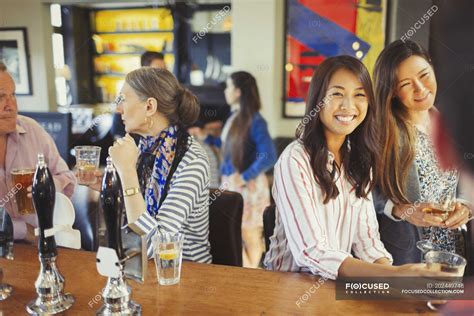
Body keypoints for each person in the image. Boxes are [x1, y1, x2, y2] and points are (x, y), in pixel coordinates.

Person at [264, 56, 437, 280]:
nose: (348, 106)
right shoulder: (295, 159)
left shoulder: (359, 158)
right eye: (337, 94)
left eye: (359, 95)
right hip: (287, 284)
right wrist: (393, 276)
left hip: (335, 286)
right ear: (318, 99)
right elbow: (311, 252)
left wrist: (391, 274)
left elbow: (367, 241)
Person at [87, 67, 212, 263]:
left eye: (123, 99)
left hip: (185, 275)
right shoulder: (146, 149)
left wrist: (127, 172)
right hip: (142, 268)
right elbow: (140, 210)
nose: (118, 109)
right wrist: (112, 188)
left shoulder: (191, 161)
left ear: (149, 107)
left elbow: (158, 246)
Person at [372, 40, 472, 265]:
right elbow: (358, 191)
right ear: (393, 91)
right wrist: (398, 209)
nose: (420, 88)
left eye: (424, 74)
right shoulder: (381, 131)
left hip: (453, 252)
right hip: (406, 255)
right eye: (406, 84)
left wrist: (466, 206)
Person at [0, 62, 76, 241]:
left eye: (13, 95)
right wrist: (23, 230)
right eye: (1, 97)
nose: (11, 105)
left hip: (43, 243)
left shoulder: (32, 129)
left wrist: (48, 186)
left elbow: (68, 178)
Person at [221, 71, 277, 268]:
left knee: (250, 236)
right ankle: (248, 275)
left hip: (248, 187)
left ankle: (250, 276)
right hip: (234, 186)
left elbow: (269, 155)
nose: (225, 91)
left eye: (228, 87)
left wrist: (244, 176)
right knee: (236, 234)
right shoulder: (235, 117)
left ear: (237, 92)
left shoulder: (255, 120)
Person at [111, 51, 167, 140]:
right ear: (144, 71)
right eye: (157, 71)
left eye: (164, 71)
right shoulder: (129, 93)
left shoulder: (167, 97)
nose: (163, 76)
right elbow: (117, 133)